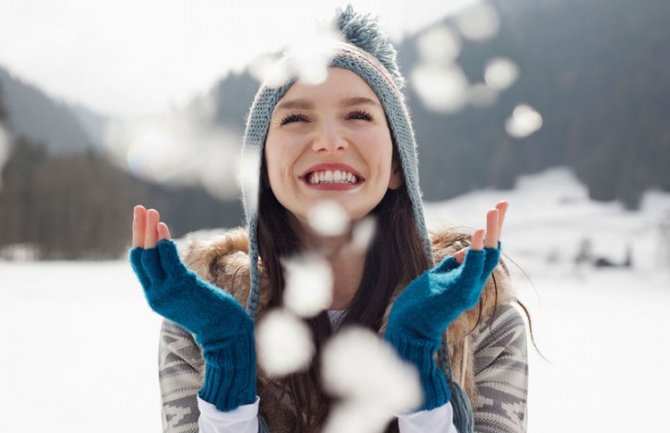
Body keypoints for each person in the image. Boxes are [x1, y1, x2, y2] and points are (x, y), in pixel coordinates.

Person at [129, 6, 528, 433]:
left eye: (358, 115)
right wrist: (228, 360)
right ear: (261, 169)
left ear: (398, 166)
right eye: (297, 117)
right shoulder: (197, 319)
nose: (329, 141)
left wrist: (416, 366)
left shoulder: (479, 316)